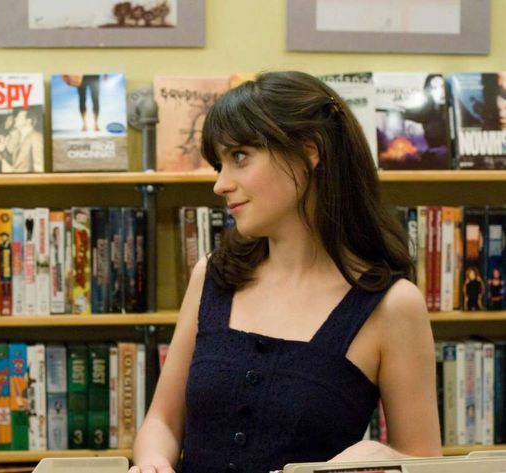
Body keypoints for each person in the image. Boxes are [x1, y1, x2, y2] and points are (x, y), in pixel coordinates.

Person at [131, 71, 441, 473]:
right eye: (219, 165)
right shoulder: (212, 275)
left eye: (239, 156)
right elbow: (162, 420)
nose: (220, 185)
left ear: (309, 151)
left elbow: (424, 461)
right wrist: (153, 461)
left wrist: (382, 456)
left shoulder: (392, 306)